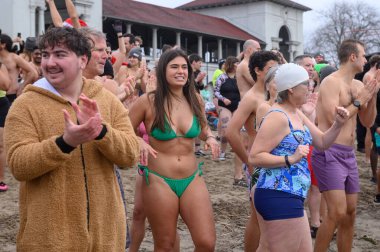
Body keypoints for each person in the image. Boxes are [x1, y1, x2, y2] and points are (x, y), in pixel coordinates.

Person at [4, 27, 140, 250]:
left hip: (105, 237)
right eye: (45, 55)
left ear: (82, 60)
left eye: (60, 54)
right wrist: (64, 143)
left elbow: (130, 156)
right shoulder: (25, 105)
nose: (49, 63)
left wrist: (101, 132)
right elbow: (19, 165)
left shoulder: (106, 100)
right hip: (49, 239)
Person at [249, 63, 349, 252]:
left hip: (291, 194)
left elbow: (321, 141)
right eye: (306, 84)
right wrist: (290, 159)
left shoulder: (297, 114)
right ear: (291, 88)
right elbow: (254, 156)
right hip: (278, 193)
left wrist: (338, 125)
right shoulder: (277, 116)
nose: (310, 88)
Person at [128, 48, 220, 251]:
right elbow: (123, 127)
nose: (181, 71)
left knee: (206, 242)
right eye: (174, 67)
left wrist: (211, 137)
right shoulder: (148, 101)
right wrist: (139, 141)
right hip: (159, 179)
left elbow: (203, 127)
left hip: (192, 177)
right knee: (165, 244)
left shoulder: (194, 98)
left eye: (184, 67)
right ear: (163, 70)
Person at [312, 39, 379, 252]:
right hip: (328, 151)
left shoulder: (358, 85)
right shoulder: (331, 82)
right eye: (363, 55)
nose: (365, 60)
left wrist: (373, 95)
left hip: (348, 154)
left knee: (350, 212)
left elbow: (367, 122)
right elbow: (336, 119)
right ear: (352, 57)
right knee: (336, 212)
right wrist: (359, 102)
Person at [226, 51, 279, 251]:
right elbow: (231, 131)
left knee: (274, 217)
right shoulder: (252, 97)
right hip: (260, 164)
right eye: (270, 69)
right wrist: (248, 160)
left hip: (279, 162)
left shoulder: (275, 94)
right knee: (258, 217)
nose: (276, 73)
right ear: (257, 71)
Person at [213, 56, 243, 184]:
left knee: (237, 130)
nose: (238, 64)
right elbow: (216, 91)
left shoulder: (239, 77)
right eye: (236, 63)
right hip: (224, 105)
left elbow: (243, 91)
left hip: (237, 105)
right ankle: (223, 151)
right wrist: (223, 99)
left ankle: (236, 151)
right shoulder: (222, 77)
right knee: (225, 131)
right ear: (231, 64)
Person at [0, 33, 38, 103]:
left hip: (12, 96)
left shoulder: (14, 58)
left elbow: (33, 73)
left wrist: (22, 87)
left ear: (3, 44)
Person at [0, 63, 10, 192]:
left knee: (1, 145)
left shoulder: (1, 65)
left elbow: (5, 86)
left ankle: (0, 179)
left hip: (1, 102)